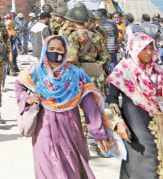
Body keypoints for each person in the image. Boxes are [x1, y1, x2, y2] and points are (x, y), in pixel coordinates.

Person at [15, 35, 125, 179]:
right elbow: (19, 85)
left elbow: (89, 106)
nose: (55, 52)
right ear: (45, 50)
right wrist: (27, 98)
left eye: (59, 49)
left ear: (65, 51)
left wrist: (98, 133)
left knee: (71, 164)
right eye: (51, 49)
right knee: (46, 164)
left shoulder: (76, 75)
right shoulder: (35, 71)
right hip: (43, 125)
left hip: (70, 125)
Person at [106, 32, 163, 179]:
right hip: (136, 125)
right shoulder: (123, 70)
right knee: (140, 163)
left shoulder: (158, 70)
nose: (149, 52)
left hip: (159, 123)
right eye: (144, 48)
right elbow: (112, 99)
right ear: (135, 48)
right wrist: (119, 122)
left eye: (151, 48)